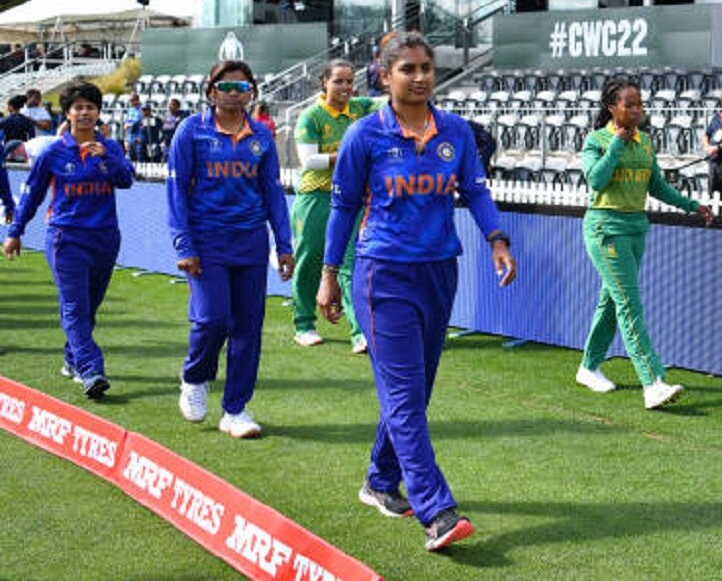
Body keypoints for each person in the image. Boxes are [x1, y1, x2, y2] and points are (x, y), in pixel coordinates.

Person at [316, 32, 516, 552]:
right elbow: (341, 210)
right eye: (408, 68)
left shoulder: (456, 133)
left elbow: (473, 190)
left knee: (415, 392)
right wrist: (328, 274)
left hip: (438, 272)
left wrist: (497, 239)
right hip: (383, 275)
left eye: (426, 67)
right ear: (385, 77)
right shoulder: (364, 136)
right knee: (404, 395)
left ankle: (380, 482)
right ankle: (435, 510)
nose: (421, 76)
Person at [169, 60, 295, 439]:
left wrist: (284, 244)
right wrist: (184, 242)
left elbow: (272, 190)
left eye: (243, 88)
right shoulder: (191, 131)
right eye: (227, 87)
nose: (235, 94)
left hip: (251, 242)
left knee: (248, 329)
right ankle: (194, 376)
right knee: (213, 320)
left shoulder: (260, 136)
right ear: (211, 91)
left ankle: (235, 410)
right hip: (207, 242)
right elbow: (176, 190)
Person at [575, 76, 714, 409]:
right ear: (612, 108)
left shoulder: (646, 141)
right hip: (605, 228)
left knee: (613, 301)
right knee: (629, 304)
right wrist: (616, 146)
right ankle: (653, 381)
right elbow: (596, 179)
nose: (637, 110)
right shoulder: (596, 140)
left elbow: (657, 187)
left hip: (636, 228)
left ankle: (588, 366)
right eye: (630, 104)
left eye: (639, 104)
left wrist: (692, 206)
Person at [3, 81, 134, 399]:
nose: (85, 113)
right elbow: (32, 195)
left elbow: (126, 179)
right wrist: (15, 232)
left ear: (98, 112)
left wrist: (107, 158)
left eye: (90, 107)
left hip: (104, 239)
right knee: (74, 306)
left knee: (88, 308)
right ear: (68, 113)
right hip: (66, 238)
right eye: (78, 107)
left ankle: (72, 358)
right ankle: (91, 370)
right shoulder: (53, 152)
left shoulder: (111, 147)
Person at [291, 58, 377, 352]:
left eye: (350, 81)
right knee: (311, 259)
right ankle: (303, 323)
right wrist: (349, 155)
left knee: (350, 264)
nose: (345, 87)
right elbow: (309, 161)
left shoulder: (360, 108)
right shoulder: (310, 116)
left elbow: (391, 104)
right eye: (338, 81)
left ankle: (358, 332)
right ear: (323, 82)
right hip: (316, 197)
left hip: (351, 198)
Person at [2, 95, 36, 160]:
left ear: (11, 107)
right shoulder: (26, 120)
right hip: (22, 147)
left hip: (9, 147)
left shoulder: (5, 120)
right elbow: (32, 135)